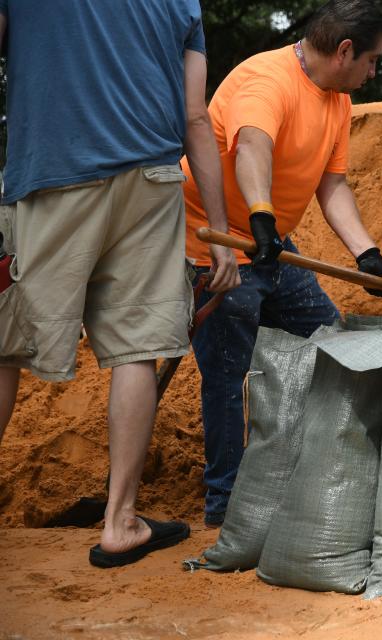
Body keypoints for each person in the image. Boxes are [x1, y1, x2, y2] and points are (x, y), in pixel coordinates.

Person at [0, 0, 239, 566]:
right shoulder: (182, 2)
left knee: (4, 347)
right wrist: (221, 231)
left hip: (51, 172)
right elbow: (196, 117)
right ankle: (121, 521)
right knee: (138, 348)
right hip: (152, 179)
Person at [182, 0, 382, 526]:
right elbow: (253, 145)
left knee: (326, 340)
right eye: (371, 61)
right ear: (344, 51)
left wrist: (365, 252)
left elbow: (333, 184)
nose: (373, 72)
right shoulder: (266, 77)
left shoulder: (336, 98)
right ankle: (226, 505)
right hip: (215, 245)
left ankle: (305, 470)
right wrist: (259, 217)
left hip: (273, 244)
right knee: (229, 372)